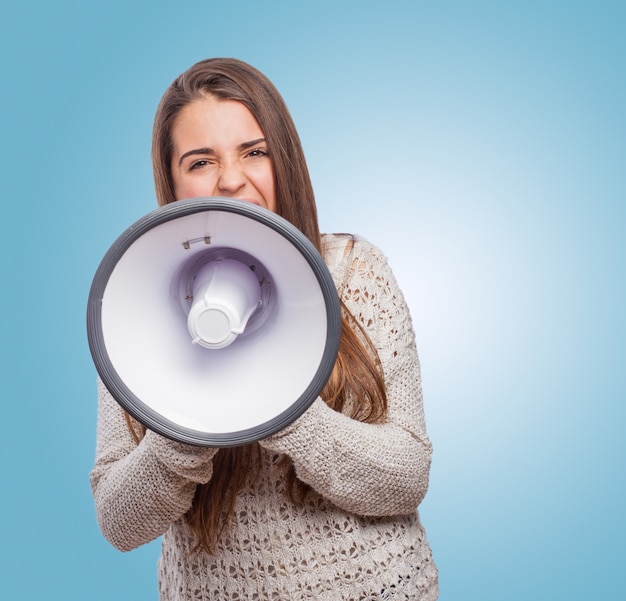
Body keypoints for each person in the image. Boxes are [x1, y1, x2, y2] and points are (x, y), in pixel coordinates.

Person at [90, 57, 439, 600]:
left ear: (286, 161)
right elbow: (119, 523)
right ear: (173, 181)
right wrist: (182, 429)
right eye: (201, 161)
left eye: (255, 152)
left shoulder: (356, 271)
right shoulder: (137, 299)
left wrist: (290, 410)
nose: (232, 179)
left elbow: (407, 477)